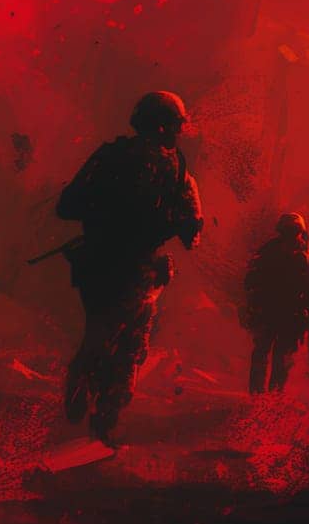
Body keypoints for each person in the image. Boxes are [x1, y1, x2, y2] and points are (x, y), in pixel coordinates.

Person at [55, 91, 203, 447]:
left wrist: (105, 215)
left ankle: (82, 389)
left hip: (100, 264)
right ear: (169, 125)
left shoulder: (110, 156)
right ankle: (104, 418)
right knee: (130, 347)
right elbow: (192, 230)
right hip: (138, 269)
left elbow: (67, 205)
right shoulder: (178, 170)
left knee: (101, 330)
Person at [242, 213, 309, 394]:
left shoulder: (305, 256)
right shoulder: (268, 252)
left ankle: (273, 396)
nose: (292, 235)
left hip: (289, 314)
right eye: (289, 231)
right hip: (269, 311)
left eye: (294, 231)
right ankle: (258, 396)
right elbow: (251, 281)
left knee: (282, 358)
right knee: (263, 354)